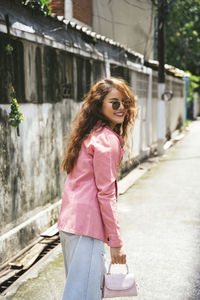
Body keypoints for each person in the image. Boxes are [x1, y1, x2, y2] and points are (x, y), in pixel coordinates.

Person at [57, 77, 137, 300]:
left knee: (79, 291)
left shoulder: (90, 133)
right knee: (83, 295)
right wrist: (116, 242)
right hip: (87, 227)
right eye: (114, 102)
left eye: (125, 102)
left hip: (70, 224)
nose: (122, 108)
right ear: (99, 104)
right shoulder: (106, 139)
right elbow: (106, 194)